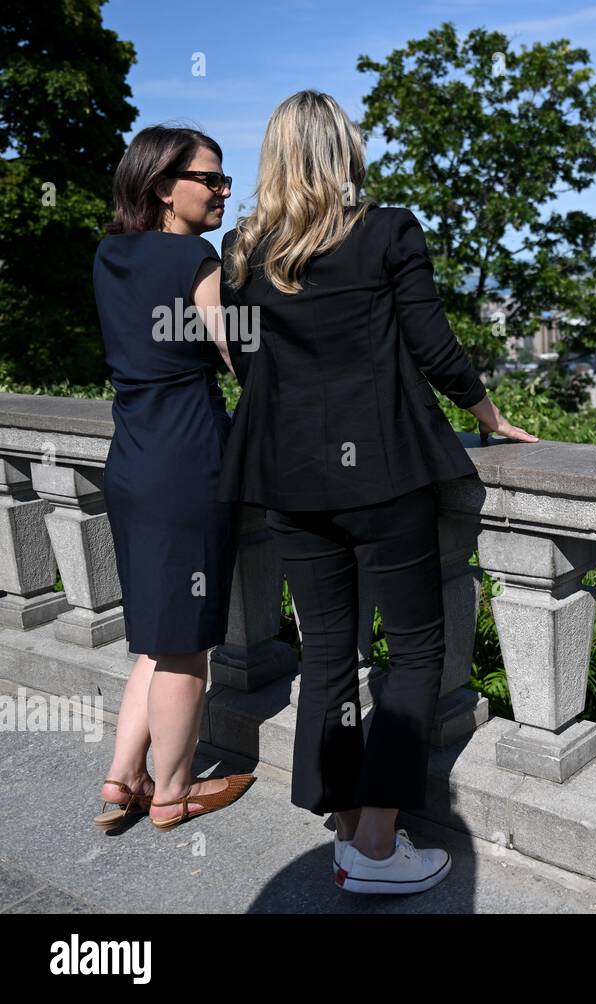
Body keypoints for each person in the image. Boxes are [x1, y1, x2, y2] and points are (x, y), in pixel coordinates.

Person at [219, 90, 535, 894]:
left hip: (289, 481)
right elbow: (433, 344)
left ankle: (342, 820)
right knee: (415, 648)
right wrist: (488, 413)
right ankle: (377, 844)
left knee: (328, 650)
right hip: (384, 472)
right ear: (342, 153)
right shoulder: (388, 230)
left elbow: (252, 371)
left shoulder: (243, 250)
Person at [91, 125, 255, 832]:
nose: (223, 191)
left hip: (129, 462)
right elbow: (235, 351)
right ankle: (173, 792)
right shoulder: (194, 255)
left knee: (159, 634)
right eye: (210, 180)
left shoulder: (109, 252)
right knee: (187, 643)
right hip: (188, 463)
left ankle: (121, 778)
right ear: (164, 186)